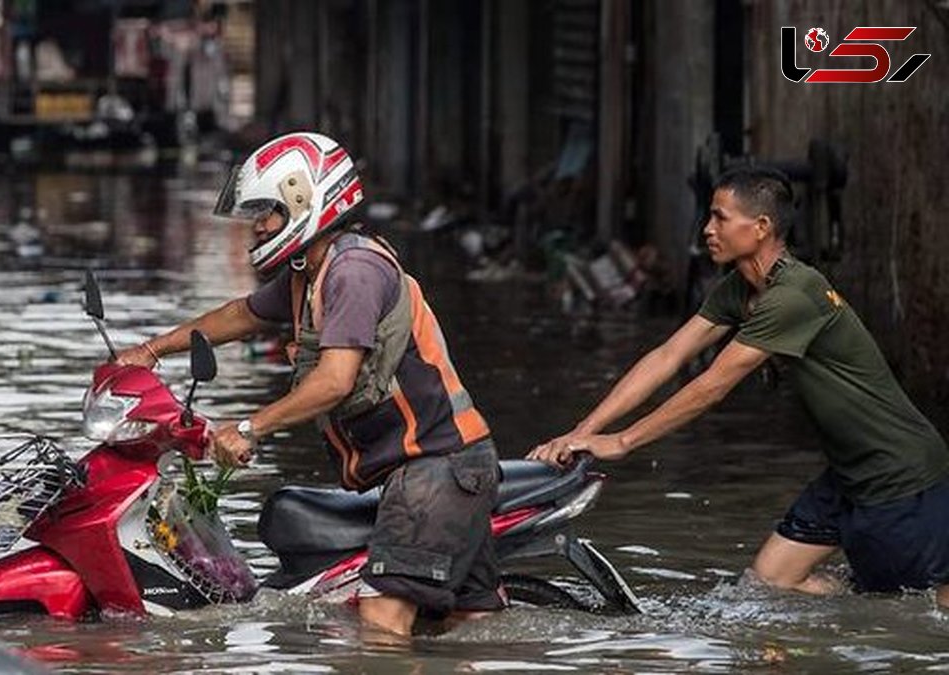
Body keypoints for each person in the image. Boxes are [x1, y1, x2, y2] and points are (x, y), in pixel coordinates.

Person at [116, 132, 505, 635]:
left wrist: (250, 427)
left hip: (436, 469)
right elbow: (241, 315)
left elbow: (335, 380)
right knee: (468, 628)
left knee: (381, 623)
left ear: (307, 200)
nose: (258, 226)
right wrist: (151, 351)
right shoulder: (312, 270)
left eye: (268, 211)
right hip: (438, 468)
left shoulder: (354, 271)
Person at [529, 167, 949, 606]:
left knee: (911, 612)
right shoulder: (741, 289)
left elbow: (712, 386)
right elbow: (668, 356)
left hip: (899, 477)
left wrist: (623, 441)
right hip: (848, 475)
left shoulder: (792, 295)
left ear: (762, 227)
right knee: (770, 584)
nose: (708, 229)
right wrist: (584, 431)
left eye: (720, 218)